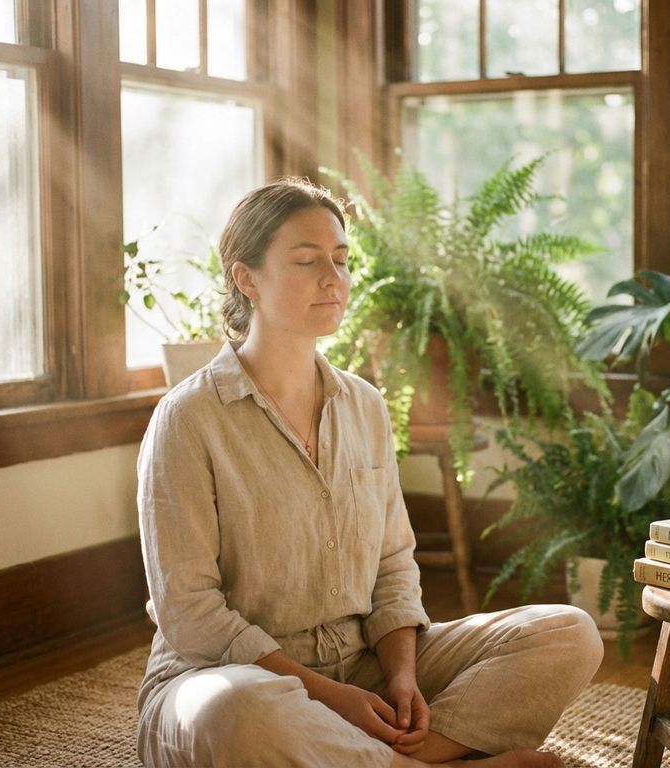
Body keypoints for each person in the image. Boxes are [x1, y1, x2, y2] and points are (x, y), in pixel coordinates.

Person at [135, 177, 604, 767]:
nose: (334, 279)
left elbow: (391, 564)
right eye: (306, 261)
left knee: (568, 632)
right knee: (235, 717)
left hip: (363, 665)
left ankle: (405, 755)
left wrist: (401, 676)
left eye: (340, 259)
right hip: (230, 678)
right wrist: (331, 697)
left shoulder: (364, 405)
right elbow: (190, 614)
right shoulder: (187, 420)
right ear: (246, 278)